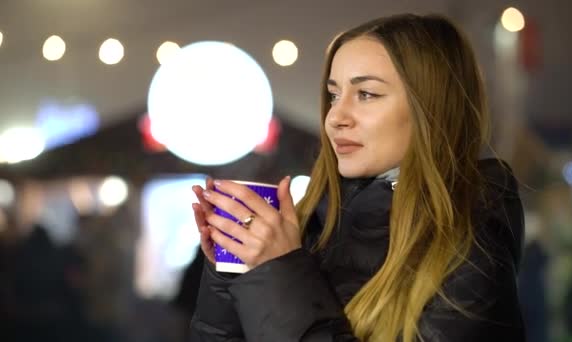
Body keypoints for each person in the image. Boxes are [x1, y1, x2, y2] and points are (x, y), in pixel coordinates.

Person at [189, 13, 525, 341]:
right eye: (334, 95)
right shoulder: (312, 224)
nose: (335, 117)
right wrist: (234, 268)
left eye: (366, 94)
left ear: (431, 108)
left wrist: (278, 271)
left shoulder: (470, 243)